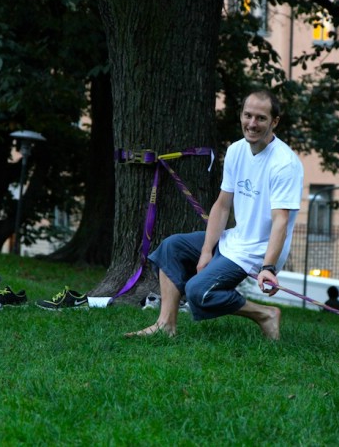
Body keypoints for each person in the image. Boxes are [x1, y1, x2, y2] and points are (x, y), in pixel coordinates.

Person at [125, 90, 304, 340]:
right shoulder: (236, 151)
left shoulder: (285, 164)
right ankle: (165, 324)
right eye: (247, 115)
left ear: (274, 122)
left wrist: (269, 267)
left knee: (198, 291)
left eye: (261, 118)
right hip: (235, 239)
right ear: (241, 115)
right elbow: (222, 205)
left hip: (257, 251)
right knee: (171, 248)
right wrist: (207, 249)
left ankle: (265, 314)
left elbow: (281, 221)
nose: (252, 124)